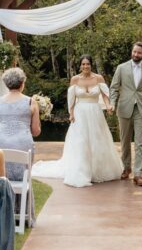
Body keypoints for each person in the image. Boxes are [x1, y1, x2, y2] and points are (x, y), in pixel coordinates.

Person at [33, 55, 123, 188]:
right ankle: (82, 170)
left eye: (88, 64)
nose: (85, 66)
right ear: (80, 66)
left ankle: (97, 170)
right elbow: (72, 98)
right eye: (83, 64)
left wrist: (108, 106)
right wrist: (71, 113)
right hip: (80, 113)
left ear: (91, 65)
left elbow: (105, 95)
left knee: (97, 140)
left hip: (95, 113)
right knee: (81, 141)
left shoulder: (98, 78)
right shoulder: (75, 79)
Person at [109, 42, 142, 188]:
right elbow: (114, 88)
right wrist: (112, 103)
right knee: (124, 141)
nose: (136, 54)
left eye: (139, 53)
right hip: (124, 108)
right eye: (134, 52)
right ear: (132, 51)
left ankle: (138, 174)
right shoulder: (121, 68)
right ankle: (126, 168)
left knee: (140, 143)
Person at [0, 67, 41, 187]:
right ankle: (22, 203)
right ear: (22, 83)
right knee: (23, 178)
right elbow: (35, 131)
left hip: (0, 144)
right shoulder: (30, 102)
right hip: (22, 144)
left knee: (2, 177)